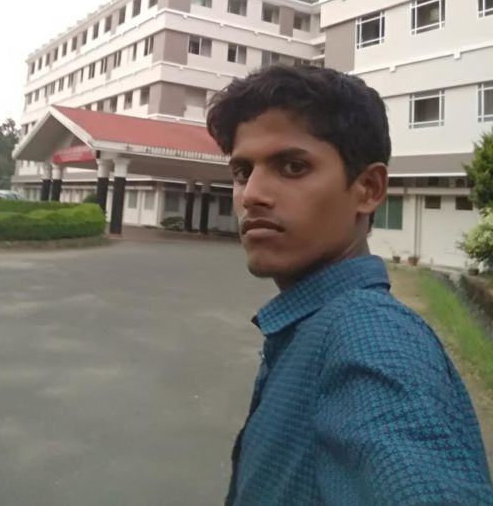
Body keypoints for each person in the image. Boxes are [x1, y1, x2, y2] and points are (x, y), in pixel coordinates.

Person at [206, 64, 493, 506]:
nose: (251, 194)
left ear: (368, 189)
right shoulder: (312, 326)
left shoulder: (369, 337)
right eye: (243, 171)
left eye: (293, 167)